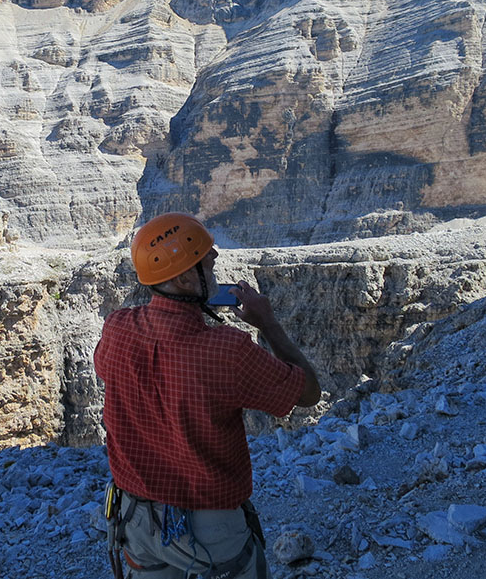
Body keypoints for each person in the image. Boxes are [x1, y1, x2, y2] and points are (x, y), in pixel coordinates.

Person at [94, 212, 321, 579]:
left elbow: (106, 370)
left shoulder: (117, 328)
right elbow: (309, 392)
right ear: (185, 278)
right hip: (212, 529)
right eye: (206, 260)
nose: (215, 260)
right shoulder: (227, 350)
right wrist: (269, 324)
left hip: (135, 520)